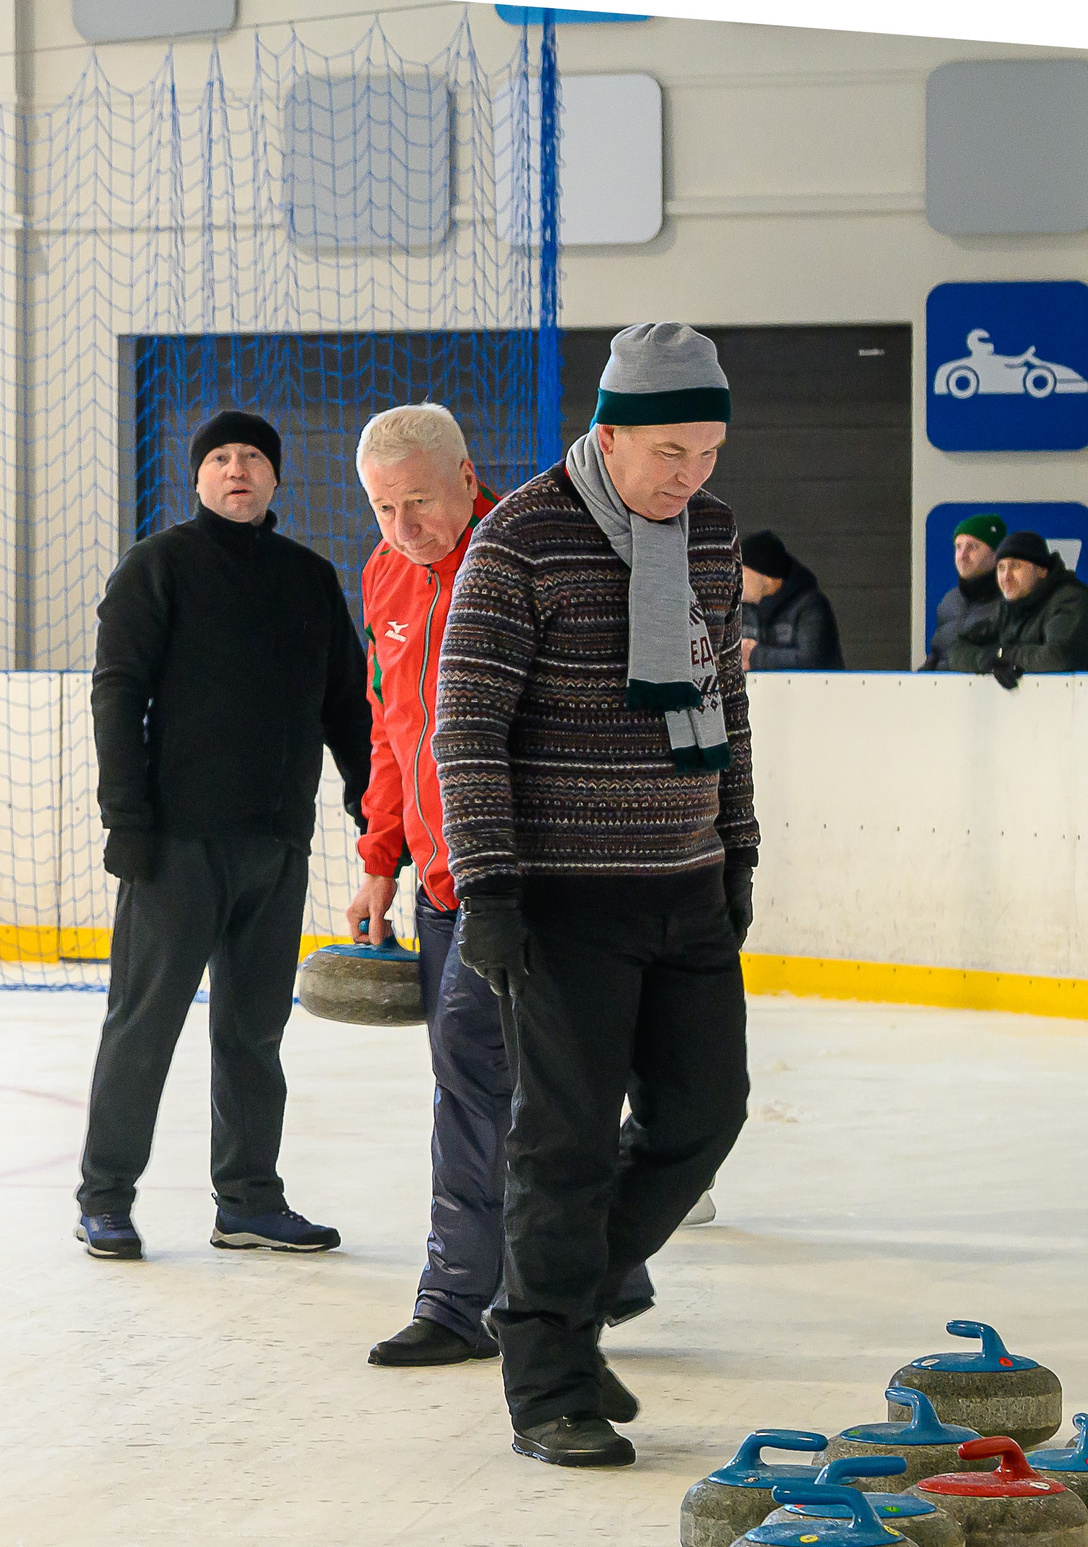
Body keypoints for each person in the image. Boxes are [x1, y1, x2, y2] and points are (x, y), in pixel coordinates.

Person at [435, 323, 757, 1470]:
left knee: (703, 1115)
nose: (690, 476)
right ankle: (548, 1387)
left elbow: (725, 705)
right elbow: (465, 728)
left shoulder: (709, 534)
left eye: (708, 452)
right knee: (562, 1145)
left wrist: (738, 847)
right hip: (562, 902)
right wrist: (488, 886)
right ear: (610, 434)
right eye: (671, 452)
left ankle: (557, 1305)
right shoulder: (521, 538)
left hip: (686, 884)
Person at [343, 404, 656, 1370]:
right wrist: (379, 857)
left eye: (418, 502)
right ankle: (601, 1269)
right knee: (521, 1085)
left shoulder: (529, 556)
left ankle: (459, 1298)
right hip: (442, 883)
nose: (403, 527)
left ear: (467, 475)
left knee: (481, 1076)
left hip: (529, 878)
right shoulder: (387, 574)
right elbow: (393, 731)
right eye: (384, 508)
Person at [76, 409, 371, 1262]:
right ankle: (104, 1198)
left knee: (254, 1033)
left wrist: (374, 813)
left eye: (252, 457)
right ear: (197, 476)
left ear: (276, 477)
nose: (236, 469)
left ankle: (248, 1200)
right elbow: (116, 693)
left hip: (275, 844)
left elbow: (347, 707)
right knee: (144, 1025)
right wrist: (126, 820)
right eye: (219, 458)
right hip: (176, 845)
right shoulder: (157, 566)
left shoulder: (310, 578)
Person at [940, 531, 1088, 684]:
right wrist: (987, 661)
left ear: (1042, 571)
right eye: (1001, 568)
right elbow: (956, 649)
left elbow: (1058, 658)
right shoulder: (1006, 607)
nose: (1006, 577)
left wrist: (1002, 654)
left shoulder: (1071, 599)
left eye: (1016, 566)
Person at [738, 529, 844, 671]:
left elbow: (813, 660)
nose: (735, 579)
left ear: (766, 576)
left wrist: (754, 656)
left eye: (742, 571)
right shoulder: (740, 610)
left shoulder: (809, 606)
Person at [923, 512, 1005, 669]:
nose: (962, 556)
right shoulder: (949, 601)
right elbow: (938, 653)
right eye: (958, 547)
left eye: (972, 547)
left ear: (995, 555)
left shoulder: (1010, 603)